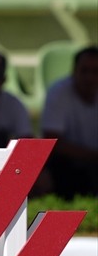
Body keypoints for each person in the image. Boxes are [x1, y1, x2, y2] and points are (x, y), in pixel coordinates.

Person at [40, 45, 98, 199]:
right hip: (67, 165)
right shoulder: (58, 93)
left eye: (95, 71)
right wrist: (93, 156)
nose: (90, 78)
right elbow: (52, 142)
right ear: (74, 71)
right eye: (84, 71)